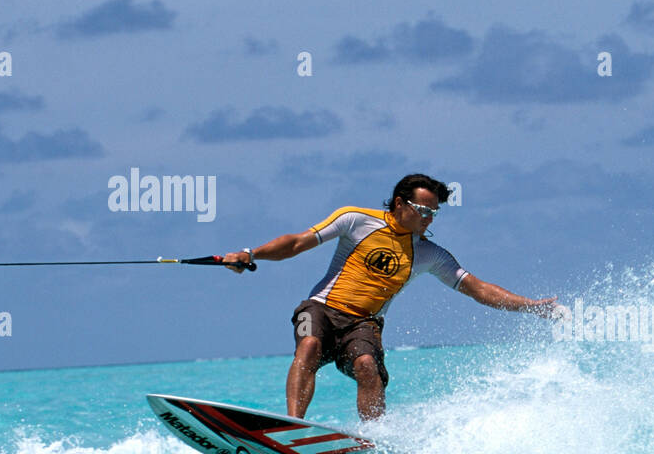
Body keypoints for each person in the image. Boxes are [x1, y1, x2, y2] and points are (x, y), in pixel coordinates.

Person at [221, 173, 562, 420]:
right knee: (309, 346)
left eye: (434, 213)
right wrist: (251, 253)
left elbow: (479, 289)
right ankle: (293, 427)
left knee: (368, 366)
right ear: (400, 203)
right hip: (322, 308)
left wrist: (531, 307)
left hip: (363, 323)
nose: (428, 218)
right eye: (422, 210)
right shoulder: (355, 219)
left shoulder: (429, 254)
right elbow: (296, 243)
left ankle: (374, 442)